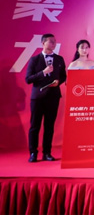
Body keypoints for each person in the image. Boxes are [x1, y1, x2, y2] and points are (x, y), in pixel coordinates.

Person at [25, 33, 67, 162]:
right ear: (43, 43)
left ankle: (47, 152)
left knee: (49, 126)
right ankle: (33, 153)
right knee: (35, 126)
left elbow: (63, 76)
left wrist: (58, 82)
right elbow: (28, 79)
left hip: (53, 97)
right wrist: (43, 72)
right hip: (38, 97)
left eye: (55, 41)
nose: (53, 43)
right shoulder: (35, 59)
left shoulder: (59, 59)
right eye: (51, 41)